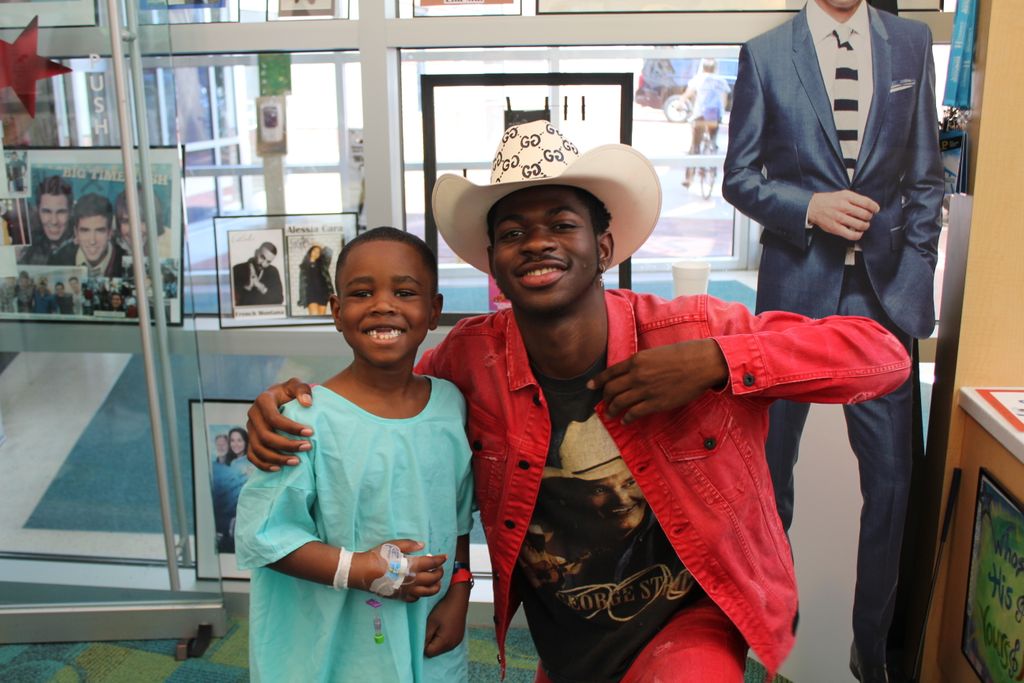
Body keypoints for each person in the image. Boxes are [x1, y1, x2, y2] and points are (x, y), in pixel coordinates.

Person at [245, 120, 911, 682]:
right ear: (493, 264)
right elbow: (382, 390)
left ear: (606, 245)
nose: (537, 241)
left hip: (690, 623)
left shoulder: (690, 331)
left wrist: (715, 362)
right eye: (513, 233)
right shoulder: (469, 358)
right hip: (567, 645)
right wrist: (284, 403)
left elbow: (882, 356)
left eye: (562, 223)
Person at [722, 2, 942, 680]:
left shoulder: (910, 43)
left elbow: (930, 172)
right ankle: (774, 636)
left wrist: (916, 265)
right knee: (771, 476)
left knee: (892, 485)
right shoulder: (764, 54)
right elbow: (740, 176)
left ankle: (870, 652)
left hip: (884, 298)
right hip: (796, 294)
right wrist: (808, 207)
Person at [234, 226, 474, 682]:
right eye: (363, 293)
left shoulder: (450, 404)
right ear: (338, 313)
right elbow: (263, 536)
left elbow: (457, 513)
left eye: (405, 291)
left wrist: (459, 586)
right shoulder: (305, 419)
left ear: (433, 311)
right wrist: (361, 569)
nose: (384, 305)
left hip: (425, 628)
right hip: (334, 642)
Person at [50, 193, 127, 279]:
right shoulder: (57, 262)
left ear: (109, 233)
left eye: (100, 231)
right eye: (85, 231)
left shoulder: (127, 263)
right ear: (76, 234)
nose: (92, 241)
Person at [681, 58, 731, 189]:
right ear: (715, 68)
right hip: (714, 117)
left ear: (702, 67)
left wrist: (680, 103)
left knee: (695, 145)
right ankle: (712, 156)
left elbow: (688, 94)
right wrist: (720, 115)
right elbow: (724, 100)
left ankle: (689, 177)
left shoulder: (699, 78)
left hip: (700, 116)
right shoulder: (721, 81)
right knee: (713, 140)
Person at [17, 175, 73, 265]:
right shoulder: (29, 249)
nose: (54, 221)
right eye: (47, 212)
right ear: (38, 211)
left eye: (61, 212)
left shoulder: (83, 247)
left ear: (70, 212)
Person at [232, 241, 284, 307]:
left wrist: (260, 286)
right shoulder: (237, 269)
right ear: (256, 252)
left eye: (268, 262)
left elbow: (279, 299)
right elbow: (232, 300)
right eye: (262, 257)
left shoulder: (273, 271)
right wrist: (248, 287)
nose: (263, 263)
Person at [296, 243, 333, 316]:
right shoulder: (304, 266)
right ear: (310, 252)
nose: (316, 253)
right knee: (314, 316)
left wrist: (320, 245)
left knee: (322, 317)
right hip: (311, 294)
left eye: (318, 252)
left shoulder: (323, 264)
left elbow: (329, 252)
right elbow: (302, 284)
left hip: (323, 293)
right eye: (314, 250)